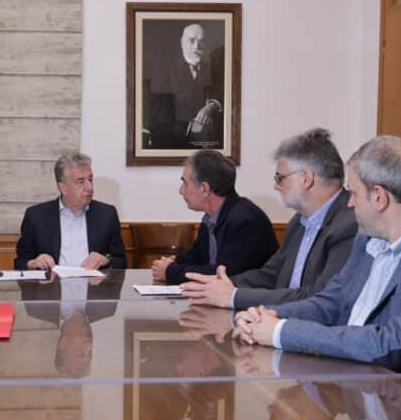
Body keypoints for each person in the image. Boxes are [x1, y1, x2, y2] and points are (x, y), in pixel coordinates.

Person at [233, 135, 401, 400]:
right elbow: (330, 303)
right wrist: (266, 315)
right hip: (354, 392)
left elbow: (393, 344)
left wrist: (280, 331)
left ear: (378, 197)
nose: (349, 203)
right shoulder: (368, 236)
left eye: (353, 193)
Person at [181, 128, 356, 309]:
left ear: (306, 179)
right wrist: (220, 284)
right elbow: (272, 274)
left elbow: (318, 297)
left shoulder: (349, 226)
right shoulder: (299, 222)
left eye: (280, 178)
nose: (276, 186)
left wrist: (234, 296)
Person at [151, 149, 277, 285]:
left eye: (185, 183)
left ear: (204, 189)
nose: (181, 191)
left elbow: (225, 275)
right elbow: (197, 257)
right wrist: (174, 262)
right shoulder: (211, 217)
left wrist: (171, 272)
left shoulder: (246, 220)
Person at [15, 150, 127, 271]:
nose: (89, 187)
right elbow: (20, 262)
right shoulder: (36, 216)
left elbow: (121, 261)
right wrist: (33, 263)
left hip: (94, 283)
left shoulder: (107, 215)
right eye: (81, 181)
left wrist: (106, 260)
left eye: (90, 179)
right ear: (63, 188)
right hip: (51, 282)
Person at [145, 23, 224, 150]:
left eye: (201, 41)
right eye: (191, 40)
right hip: (172, 140)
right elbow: (159, 112)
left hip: (204, 141)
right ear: (182, 42)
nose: (196, 46)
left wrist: (212, 105)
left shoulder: (212, 69)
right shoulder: (165, 70)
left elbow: (223, 93)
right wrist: (190, 127)